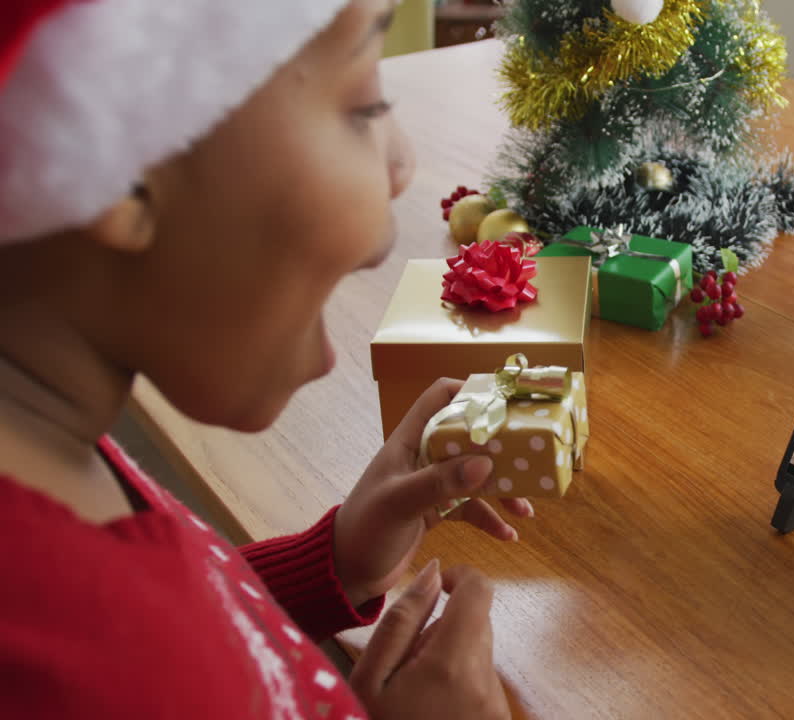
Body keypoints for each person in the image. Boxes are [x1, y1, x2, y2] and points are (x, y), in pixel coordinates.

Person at [0, 1, 528, 717]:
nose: (403, 162)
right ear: (123, 163)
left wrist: (332, 564)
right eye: (366, 105)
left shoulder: (46, 458)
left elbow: (179, 635)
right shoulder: (94, 666)